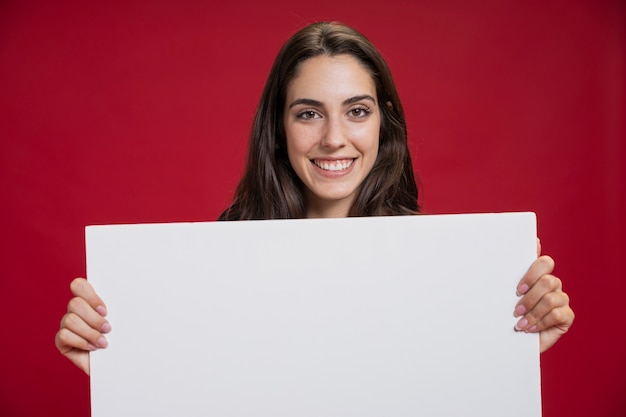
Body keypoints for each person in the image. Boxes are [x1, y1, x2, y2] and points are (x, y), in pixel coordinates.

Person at [55, 22, 574, 375]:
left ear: (383, 120)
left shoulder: (441, 273)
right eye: (308, 113)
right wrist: (117, 363)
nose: (333, 138)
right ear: (279, 129)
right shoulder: (212, 266)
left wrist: (512, 349)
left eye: (356, 110)